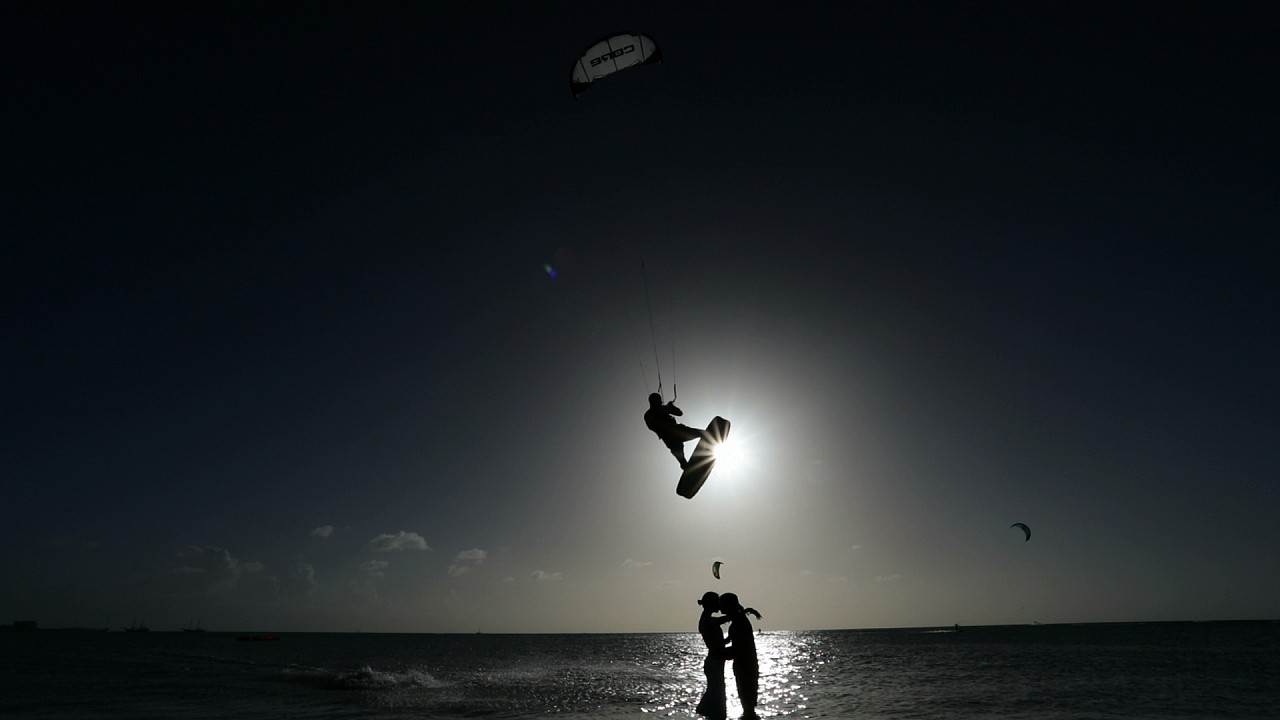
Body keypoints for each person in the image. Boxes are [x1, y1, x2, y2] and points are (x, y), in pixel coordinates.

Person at [720, 592, 763, 717]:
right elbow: (732, 640)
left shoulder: (739, 621)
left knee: (747, 701)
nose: (720, 607)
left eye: (722, 604)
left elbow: (739, 647)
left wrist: (719, 653)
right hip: (746, 664)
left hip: (745, 665)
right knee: (747, 702)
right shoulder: (738, 619)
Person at [643, 393, 708, 470]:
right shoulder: (649, 414)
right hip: (670, 437)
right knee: (682, 460)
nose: (660, 401)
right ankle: (687, 468)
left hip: (678, 432)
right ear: (653, 401)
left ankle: (706, 449)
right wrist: (665, 411)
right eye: (658, 400)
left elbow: (679, 413)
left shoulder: (663, 409)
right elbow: (651, 426)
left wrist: (671, 407)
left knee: (702, 434)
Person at [695, 591, 732, 719]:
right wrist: (737, 614)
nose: (719, 605)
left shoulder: (707, 619)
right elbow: (716, 646)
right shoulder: (706, 621)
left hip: (715, 661)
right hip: (714, 662)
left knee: (716, 693)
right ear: (711, 604)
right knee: (717, 695)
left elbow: (719, 643)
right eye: (717, 602)